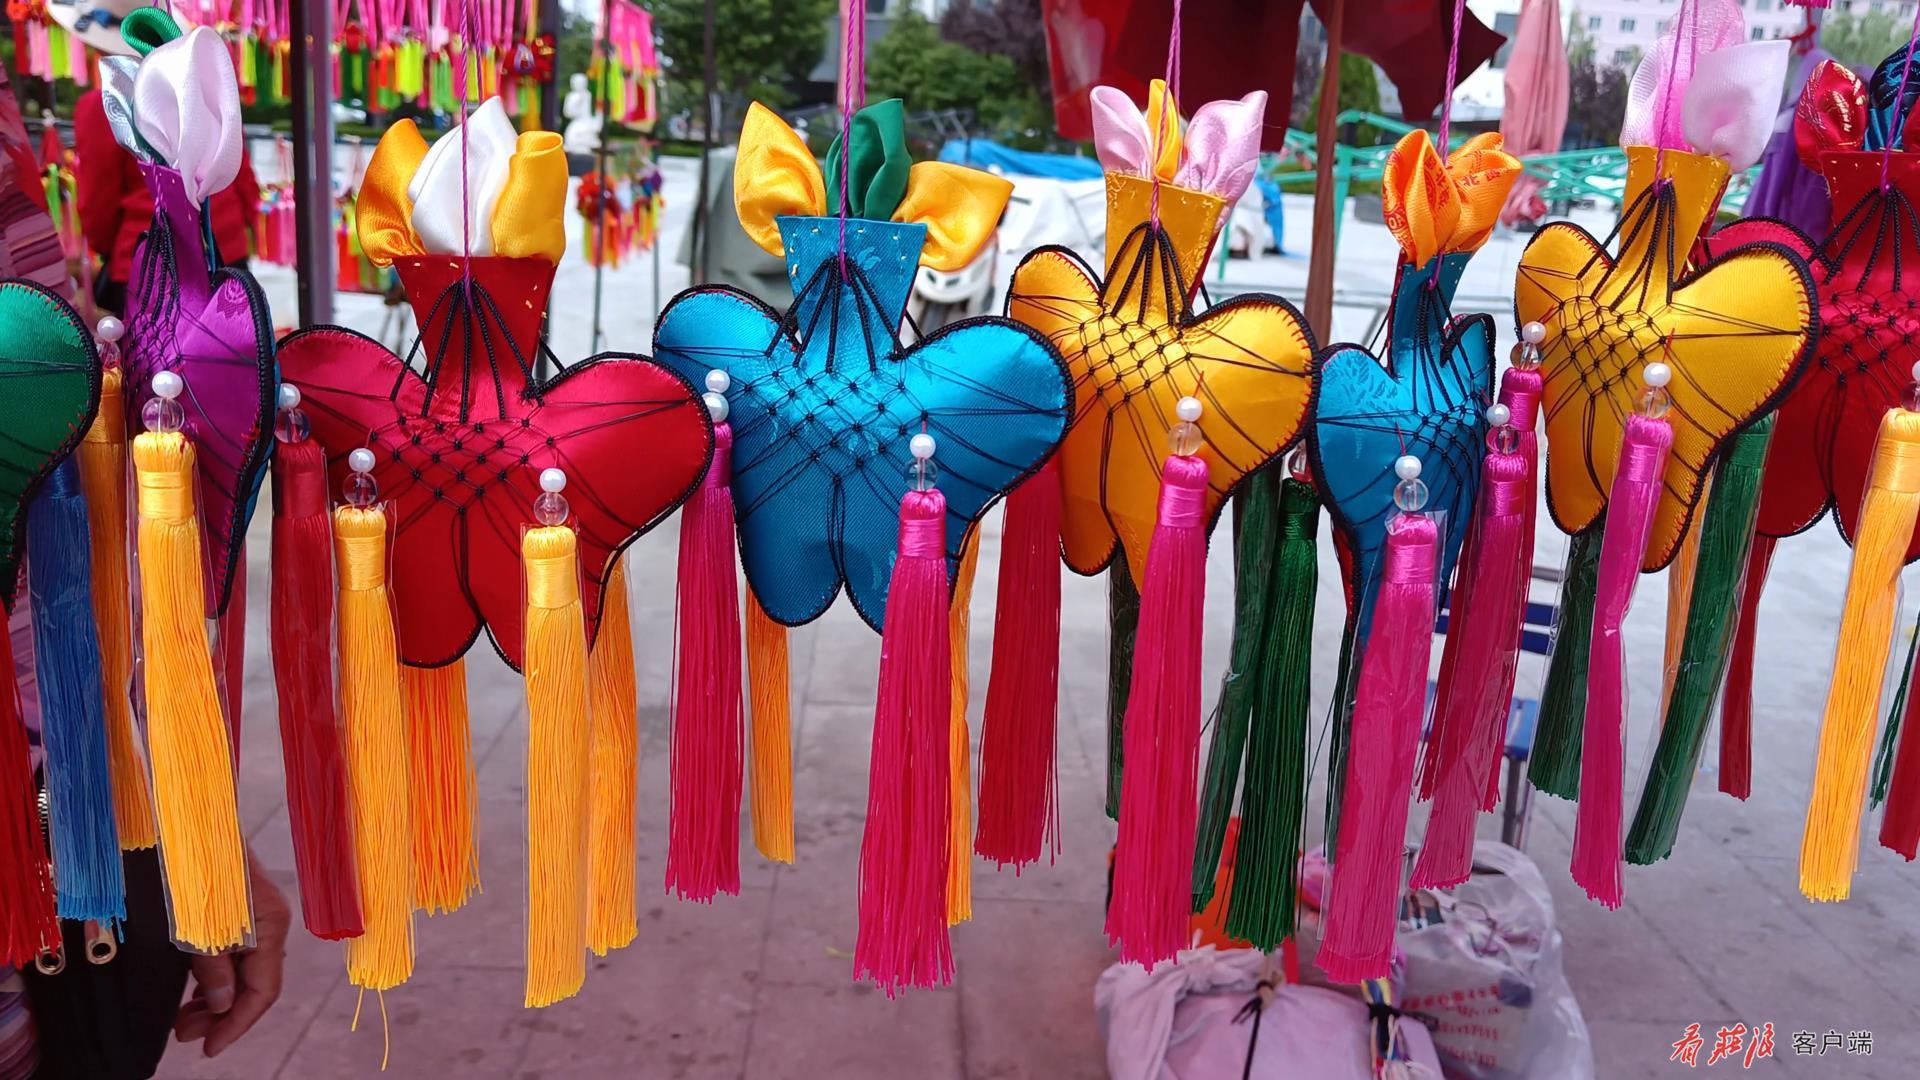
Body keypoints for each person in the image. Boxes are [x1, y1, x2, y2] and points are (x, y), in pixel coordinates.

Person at [71, 88, 260, 317]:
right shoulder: (212, 84)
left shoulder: (108, 100)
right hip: (223, 249)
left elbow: (98, 203)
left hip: (148, 262)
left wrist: (108, 249)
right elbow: (240, 173)